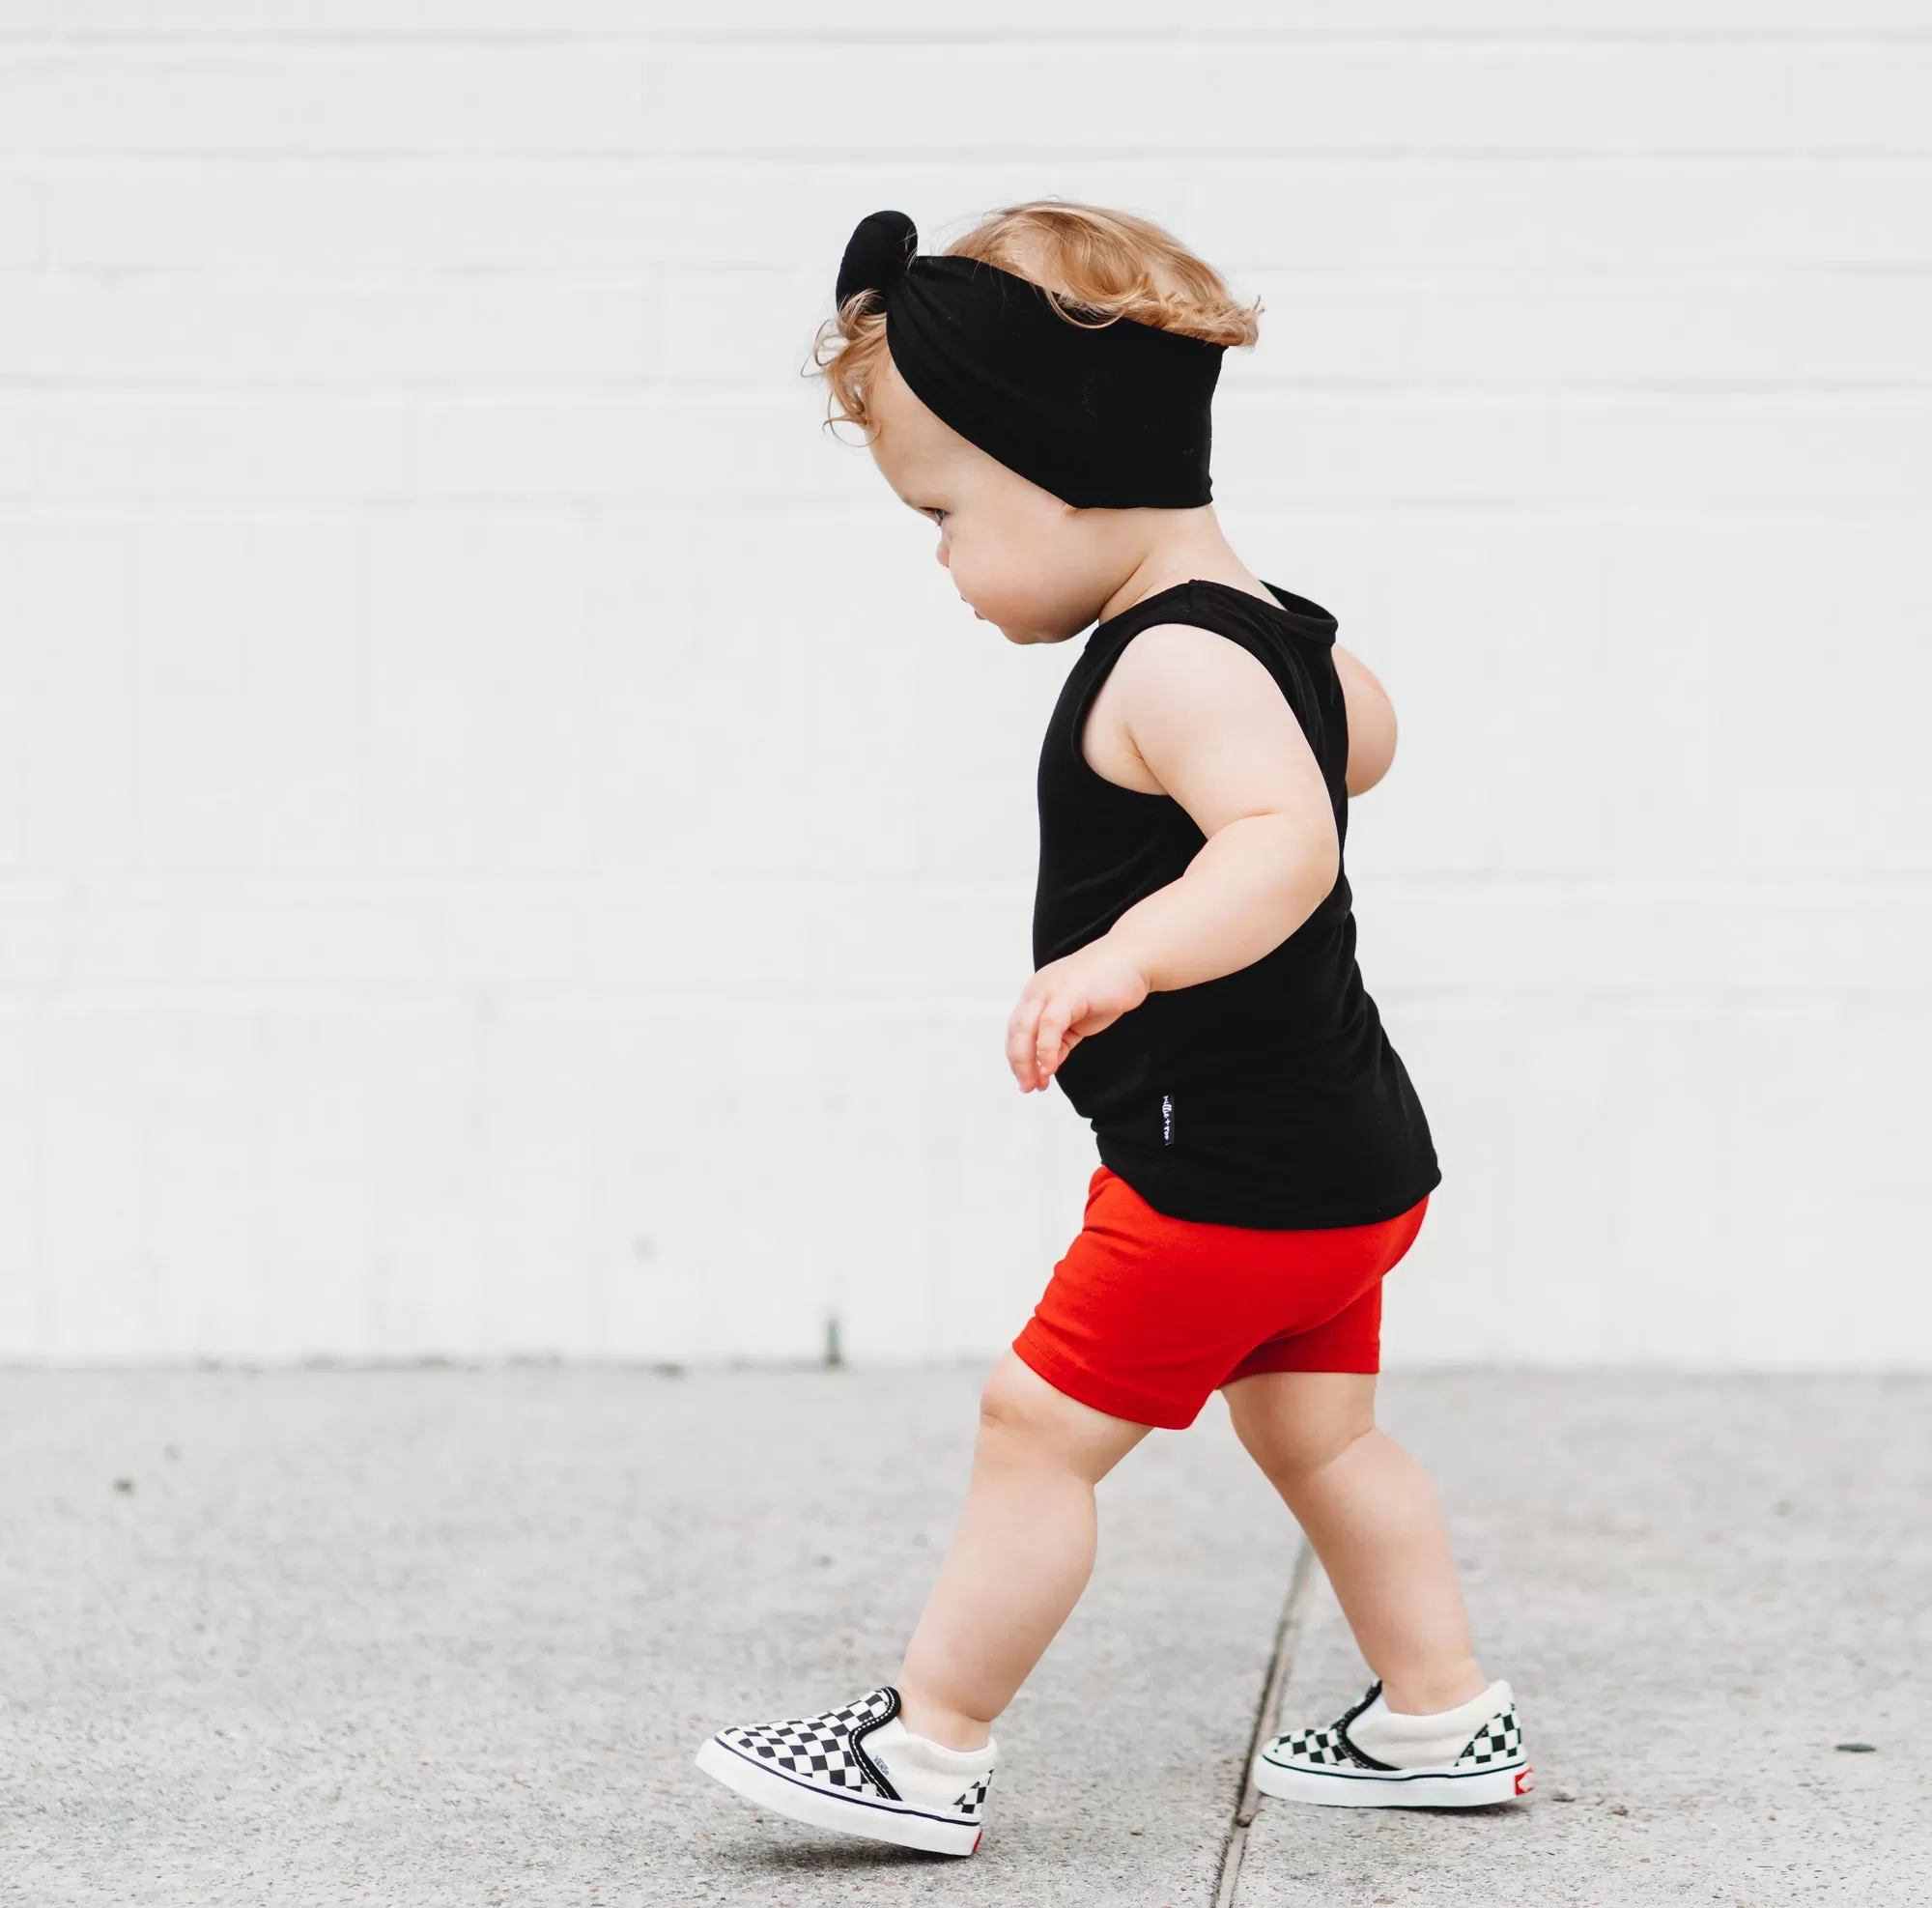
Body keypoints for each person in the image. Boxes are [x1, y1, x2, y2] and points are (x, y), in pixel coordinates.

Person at [695, 202, 1531, 1858]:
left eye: (944, 510)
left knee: (1037, 1434)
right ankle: (1440, 1713)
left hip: (1215, 1172)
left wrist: (1125, 958)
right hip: (1353, 1164)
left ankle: (927, 1750)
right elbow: (1361, 745)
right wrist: (1282, 735)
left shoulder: (1167, 664)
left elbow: (1284, 841)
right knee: (1322, 1433)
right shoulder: (1272, 631)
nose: (939, 554)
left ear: (1057, 460)